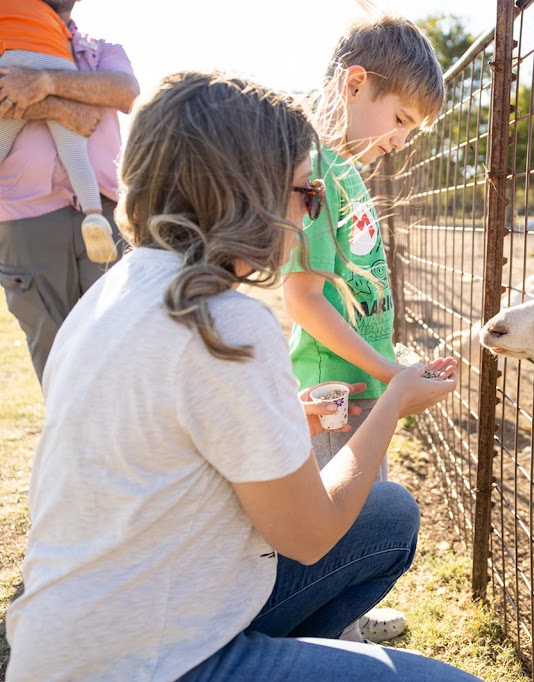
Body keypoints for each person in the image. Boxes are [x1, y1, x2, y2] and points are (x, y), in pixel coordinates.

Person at [5, 70, 476, 682]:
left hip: (65, 644)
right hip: (146, 662)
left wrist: (284, 413)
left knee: (387, 514)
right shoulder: (224, 321)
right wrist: (394, 400)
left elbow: (174, 438)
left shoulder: (112, 293)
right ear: (247, 191)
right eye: (304, 195)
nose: (306, 214)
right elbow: (310, 535)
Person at [281, 11, 446, 643]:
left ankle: (347, 611)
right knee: (335, 510)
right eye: (401, 119)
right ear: (355, 86)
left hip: (365, 384)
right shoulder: (316, 172)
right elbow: (303, 299)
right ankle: (333, 637)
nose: (402, 140)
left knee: (365, 497)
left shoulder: (348, 171)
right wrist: (390, 372)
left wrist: (389, 357)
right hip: (334, 395)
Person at [0, 0, 138, 382]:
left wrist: (44, 84)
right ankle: (71, 437)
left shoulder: (101, 48)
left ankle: (120, 439)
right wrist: (64, 110)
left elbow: (125, 91)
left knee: (118, 337)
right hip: (26, 218)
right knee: (52, 344)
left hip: (107, 212)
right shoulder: (9, 32)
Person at [0, 0, 117, 265]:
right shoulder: (47, 16)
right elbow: (61, 39)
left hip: (13, 62)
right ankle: (94, 216)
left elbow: (126, 90)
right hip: (60, 60)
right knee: (76, 155)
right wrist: (61, 107)